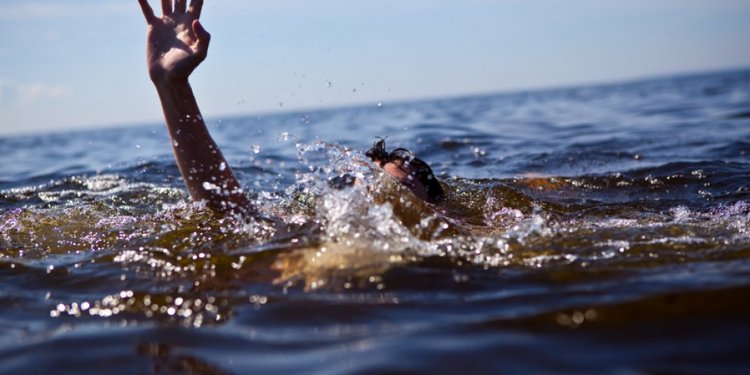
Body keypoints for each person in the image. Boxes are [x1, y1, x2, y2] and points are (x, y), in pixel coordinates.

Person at [136, 0, 443, 215]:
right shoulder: (314, 230)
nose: (377, 189)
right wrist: (171, 86)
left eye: (397, 186)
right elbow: (227, 210)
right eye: (374, 181)